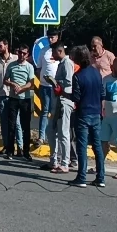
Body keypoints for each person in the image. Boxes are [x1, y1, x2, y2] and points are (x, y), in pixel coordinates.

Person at [71, 45, 106, 188]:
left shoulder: (78, 76)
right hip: (96, 113)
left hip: (83, 113)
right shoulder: (97, 73)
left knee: (82, 145)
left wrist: (64, 93)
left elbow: (76, 98)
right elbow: (102, 94)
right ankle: (101, 177)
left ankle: (81, 177)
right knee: (97, 145)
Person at [40, 41, 75, 173]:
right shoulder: (62, 63)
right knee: (51, 130)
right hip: (57, 101)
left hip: (64, 101)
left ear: (59, 51)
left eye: (54, 52)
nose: (52, 55)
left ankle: (65, 163)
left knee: (63, 133)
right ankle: (54, 161)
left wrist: (56, 84)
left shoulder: (67, 63)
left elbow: (69, 84)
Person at [3, 44, 36, 161]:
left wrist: (21, 88)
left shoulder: (29, 67)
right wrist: (12, 84)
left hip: (24, 99)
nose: (21, 55)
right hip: (13, 98)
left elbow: (31, 82)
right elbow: (5, 80)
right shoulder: (11, 65)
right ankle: (10, 150)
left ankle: (25, 152)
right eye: (20, 52)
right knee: (11, 125)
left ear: (27, 55)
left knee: (25, 126)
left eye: (24, 53)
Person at [0, 39, 23, 156]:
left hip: (14, 95)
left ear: (6, 46)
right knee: (4, 123)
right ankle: (7, 146)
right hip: (2, 94)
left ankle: (20, 147)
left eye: (0, 46)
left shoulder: (15, 59)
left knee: (17, 122)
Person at [34, 28, 61, 146]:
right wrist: (40, 80)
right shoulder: (43, 51)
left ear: (57, 37)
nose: (51, 39)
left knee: (55, 112)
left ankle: (54, 134)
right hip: (44, 85)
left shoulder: (61, 51)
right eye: (49, 37)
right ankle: (41, 136)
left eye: (53, 37)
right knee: (44, 111)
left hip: (57, 86)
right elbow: (38, 67)